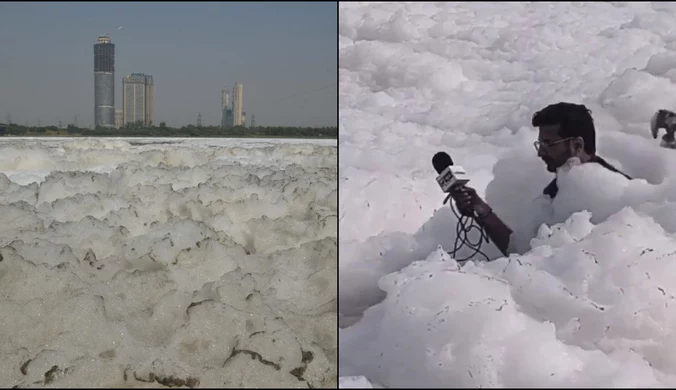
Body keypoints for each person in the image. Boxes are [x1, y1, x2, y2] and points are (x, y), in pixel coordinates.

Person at [450, 102, 632, 257]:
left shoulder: (614, 193)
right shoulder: (557, 191)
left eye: (549, 144)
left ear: (577, 145)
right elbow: (522, 251)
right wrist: (480, 208)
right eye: (540, 144)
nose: (540, 152)